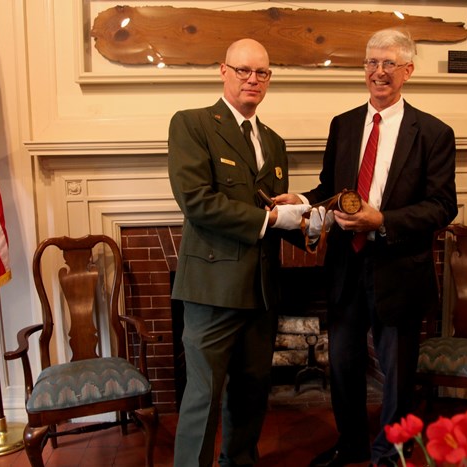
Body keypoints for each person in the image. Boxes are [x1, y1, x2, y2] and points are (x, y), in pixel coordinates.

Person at [274, 28, 458, 466]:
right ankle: (352, 444)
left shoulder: (433, 132)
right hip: (345, 267)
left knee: (396, 375)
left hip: (399, 269)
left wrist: (384, 220)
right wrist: (300, 201)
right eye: (371, 63)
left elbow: (442, 206)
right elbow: (329, 188)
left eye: (389, 63)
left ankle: (390, 454)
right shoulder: (344, 124)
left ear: (408, 71)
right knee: (343, 366)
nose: (379, 72)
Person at [168, 38, 309, 467]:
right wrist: (269, 221)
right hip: (212, 290)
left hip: (261, 292)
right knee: (203, 397)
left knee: (251, 394)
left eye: (262, 72)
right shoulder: (192, 124)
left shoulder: (274, 140)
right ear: (223, 71)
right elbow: (196, 200)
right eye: (244, 70)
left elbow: (271, 205)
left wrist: (304, 215)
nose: (253, 79)